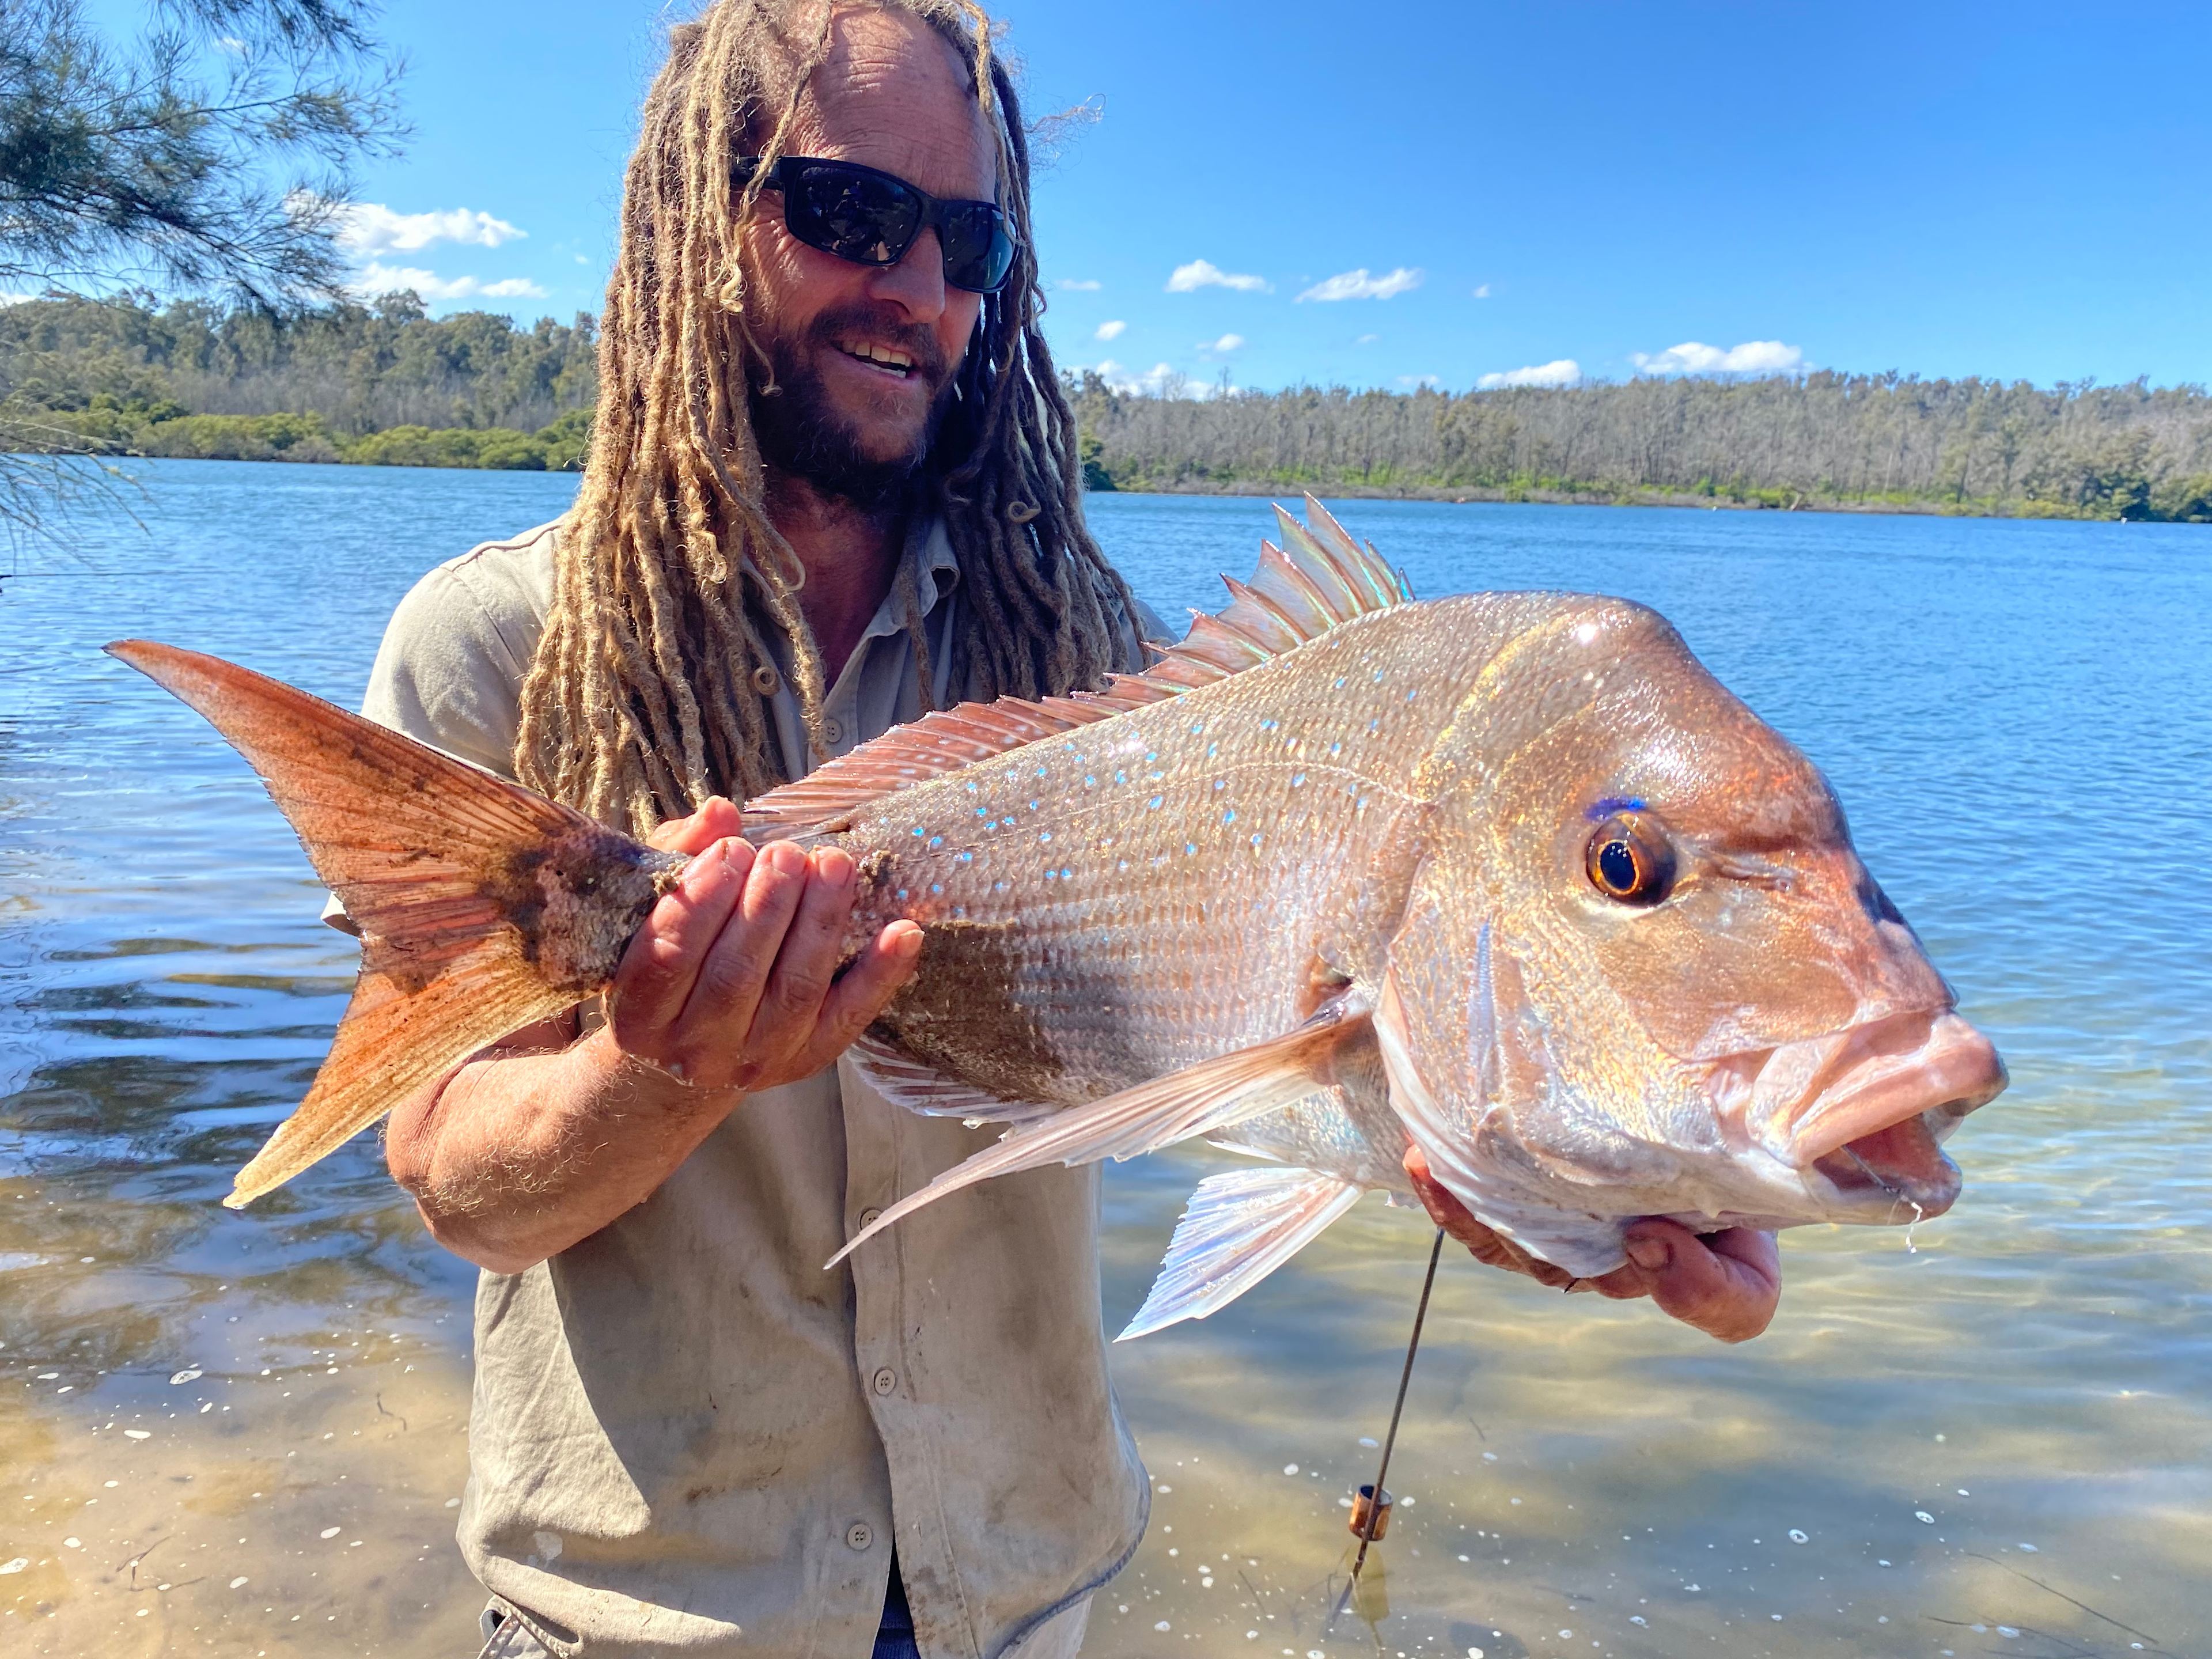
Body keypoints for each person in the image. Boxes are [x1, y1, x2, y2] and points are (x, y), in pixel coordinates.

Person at [342, 4, 1781, 1655]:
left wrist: (1574, 1170)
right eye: (851, 214)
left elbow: (1288, 1052)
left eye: (973, 246)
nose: (922, 292)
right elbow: (462, 1192)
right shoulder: (493, 653)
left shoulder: (1098, 657)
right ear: (695, 219)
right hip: (647, 1614)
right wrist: (663, 1061)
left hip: (1021, 1599)